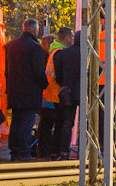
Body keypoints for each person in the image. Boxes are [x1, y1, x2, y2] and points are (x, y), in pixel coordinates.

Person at [5, 18, 49, 162]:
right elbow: (38, 71)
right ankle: (24, 151)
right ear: (35, 30)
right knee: (27, 121)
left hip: (14, 90)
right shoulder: (35, 48)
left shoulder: (11, 46)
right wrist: (44, 84)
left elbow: (6, 70)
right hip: (30, 91)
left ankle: (14, 151)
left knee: (16, 121)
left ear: (23, 28)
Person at [45, 27, 80, 160]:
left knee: (66, 122)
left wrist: (65, 85)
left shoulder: (62, 53)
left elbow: (57, 73)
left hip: (65, 92)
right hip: (81, 92)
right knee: (85, 123)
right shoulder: (87, 53)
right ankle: (83, 150)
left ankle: (63, 151)